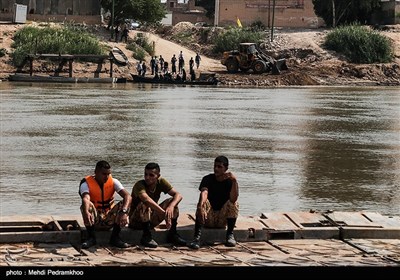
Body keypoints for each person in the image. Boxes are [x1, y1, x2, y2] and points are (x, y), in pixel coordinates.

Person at [129, 162, 186, 248]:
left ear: (158, 176)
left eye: (151, 175)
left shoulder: (161, 182)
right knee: (145, 204)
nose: (147, 178)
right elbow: (146, 199)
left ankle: (173, 234)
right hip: (136, 221)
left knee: (172, 201)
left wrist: (171, 207)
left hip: (151, 218)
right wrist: (164, 214)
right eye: (146, 174)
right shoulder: (139, 185)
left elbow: (178, 195)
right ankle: (146, 236)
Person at [188, 156, 239, 249]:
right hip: (208, 218)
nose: (216, 169)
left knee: (234, 204)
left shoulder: (230, 182)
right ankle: (197, 238)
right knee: (203, 202)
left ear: (226, 169)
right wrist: (200, 205)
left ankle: (230, 235)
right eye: (215, 166)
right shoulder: (207, 179)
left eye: (219, 167)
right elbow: (204, 192)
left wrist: (235, 181)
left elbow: (234, 199)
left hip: (222, 219)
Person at [79, 160, 132, 249]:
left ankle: (115, 238)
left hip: (109, 219)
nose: (106, 177)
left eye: (108, 174)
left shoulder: (114, 182)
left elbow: (128, 196)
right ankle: (91, 238)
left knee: (125, 203)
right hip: (95, 220)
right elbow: (85, 198)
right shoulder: (85, 184)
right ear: (96, 172)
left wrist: (124, 212)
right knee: (86, 204)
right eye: (104, 174)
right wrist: (86, 212)